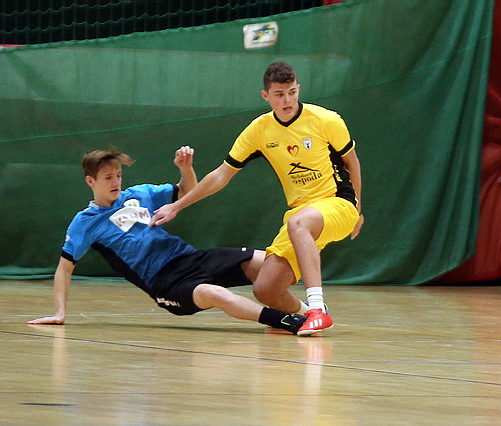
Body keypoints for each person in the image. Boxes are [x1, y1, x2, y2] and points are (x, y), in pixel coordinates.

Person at [150, 62, 364, 335]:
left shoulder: (326, 120)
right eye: (279, 94)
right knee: (266, 290)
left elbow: (352, 162)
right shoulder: (260, 130)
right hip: (301, 214)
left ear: (298, 89)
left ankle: (317, 310)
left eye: (291, 92)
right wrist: (177, 205)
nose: (287, 100)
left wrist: (358, 209)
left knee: (298, 223)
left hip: (338, 204)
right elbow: (221, 175)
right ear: (266, 96)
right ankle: (305, 316)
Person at [28, 146, 308, 335]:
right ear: (90, 181)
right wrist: (59, 313)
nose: (115, 182)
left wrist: (186, 168)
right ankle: (287, 321)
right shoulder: (85, 222)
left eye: (118, 175)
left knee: (267, 260)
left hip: (189, 258)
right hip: (166, 283)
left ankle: (313, 313)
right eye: (107, 178)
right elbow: (64, 269)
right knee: (217, 295)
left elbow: (187, 190)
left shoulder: (139, 194)